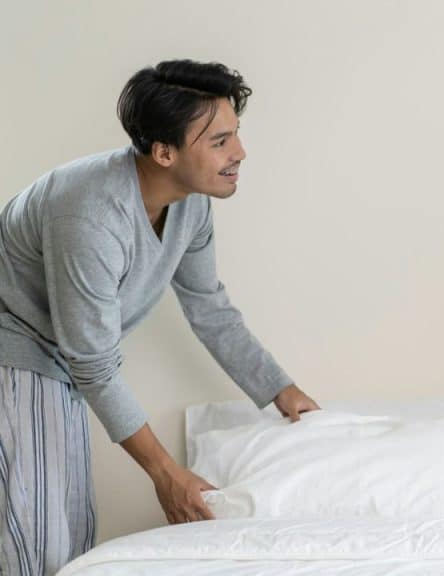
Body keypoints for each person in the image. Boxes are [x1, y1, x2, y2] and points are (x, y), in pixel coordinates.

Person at [0, 59, 319, 576]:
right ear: (164, 152)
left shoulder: (190, 206)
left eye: (235, 135)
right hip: (17, 353)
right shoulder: (91, 213)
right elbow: (94, 362)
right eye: (218, 142)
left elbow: (209, 305)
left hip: (61, 364)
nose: (239, 153)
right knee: (38, 551)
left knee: (71, 549)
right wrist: (166, 474)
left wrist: (285, 394)